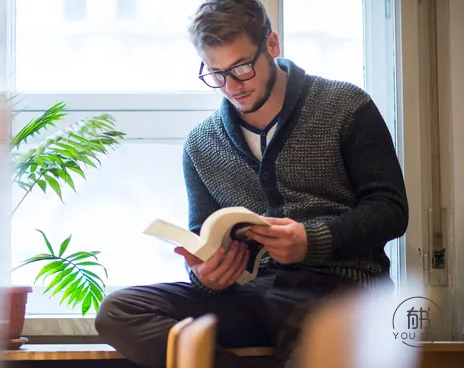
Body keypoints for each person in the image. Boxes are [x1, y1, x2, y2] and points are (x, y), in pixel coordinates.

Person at [95, 0, 408, 367]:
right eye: (215, 73)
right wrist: (206, 275)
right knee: (120, 311)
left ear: (272, 45)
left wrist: (312, 240)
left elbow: (390, 211)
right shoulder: (202, 143)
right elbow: (204, 237)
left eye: (242, 67)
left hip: (341, 293)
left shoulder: (345, 106)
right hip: (252, 296)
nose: (231, 86)